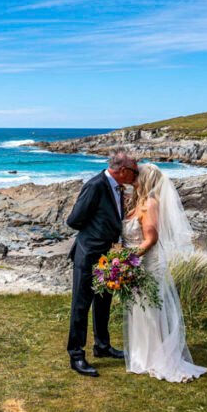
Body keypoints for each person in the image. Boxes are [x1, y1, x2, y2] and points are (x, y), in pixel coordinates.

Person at [122, 163, 207, 382]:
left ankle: (157, 357)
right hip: (134, 262)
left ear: (146, 180)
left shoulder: (151, 203)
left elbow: (151, 239)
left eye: (137, 175)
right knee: (139, 308)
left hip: (146, 263)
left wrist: (128, 261)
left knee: (150, 308)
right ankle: (143, 354)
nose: (133, 177)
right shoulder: (135, 201)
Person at [65, 150, 139, 377]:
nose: (136, 177)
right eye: (134, 172)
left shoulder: (118, 188)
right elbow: (74, 220)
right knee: (81, 305)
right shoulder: (96, 185)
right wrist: (97, 235)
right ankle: (76, 355)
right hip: (89, 255)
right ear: (123, 170)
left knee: (103, 301)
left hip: (109, 256)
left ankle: (102, 346)